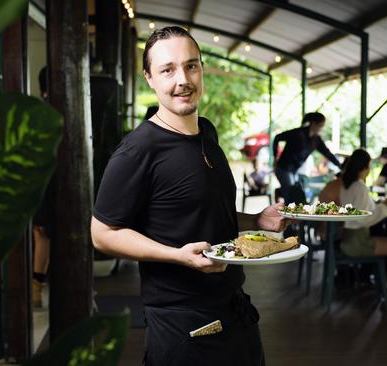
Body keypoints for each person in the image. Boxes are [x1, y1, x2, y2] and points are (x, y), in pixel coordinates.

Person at [91, 26, 288, 366]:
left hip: (234, 308)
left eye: (191, 66)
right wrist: (177, 256)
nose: (182, 79)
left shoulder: (206, 133)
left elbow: (204, 211)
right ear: (149, 78)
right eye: (168, 69)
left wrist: (256, 221)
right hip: (181, 321)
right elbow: (102, 234)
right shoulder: (137, 151)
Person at [339, 149, 387, 312]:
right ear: (365, 168)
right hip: (358, 242)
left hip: (347, 239)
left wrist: (381, 205)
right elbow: (362, 219)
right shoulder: (359, 187)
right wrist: (385, 206)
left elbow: (360, 212)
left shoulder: (347, 185)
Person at [272, 112, 342, 202]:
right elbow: (277, 137)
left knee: (296, 193)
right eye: (320, 126)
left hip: (294, 171)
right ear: (313, 123)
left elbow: (327, 153)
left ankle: (280, 192)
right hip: (283, 168)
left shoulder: (316, 140)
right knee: (291, 195)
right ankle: (284, 207)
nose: (321, 129)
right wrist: (275, 157)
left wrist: (340, 165)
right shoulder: (297, 133)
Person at [31, 66, 53, 308]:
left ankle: (36, 292)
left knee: (41, 237)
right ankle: (36, 292)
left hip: (39, 183)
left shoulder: (37, 110)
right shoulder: (57, 111)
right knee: (44, 236)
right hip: (50, 183)